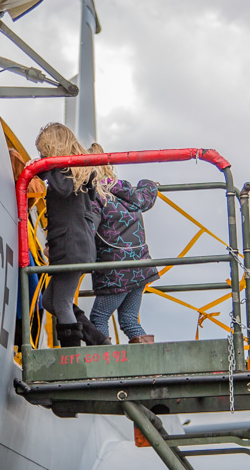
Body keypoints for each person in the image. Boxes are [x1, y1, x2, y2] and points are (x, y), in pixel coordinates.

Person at [33, 123, 106, 348]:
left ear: (53, 148)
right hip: (73, 246)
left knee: (62, 302)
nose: (42, 157)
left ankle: (71, 355)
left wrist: (41, 169)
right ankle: (96, 338)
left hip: (70, 247)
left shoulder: (65, 173)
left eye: (44, 152)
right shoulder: (77, 172)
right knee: (49, 301)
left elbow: (63, 189)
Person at [86, 144, 160, 343]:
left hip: (117, 272)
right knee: (129, 319)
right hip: (140, 266)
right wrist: (149, 184)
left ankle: (103, 361)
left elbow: (88, 229)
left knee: (99, 317)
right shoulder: (126, 191)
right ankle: (148, 358)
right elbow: (146, 198)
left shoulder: (95, 197)